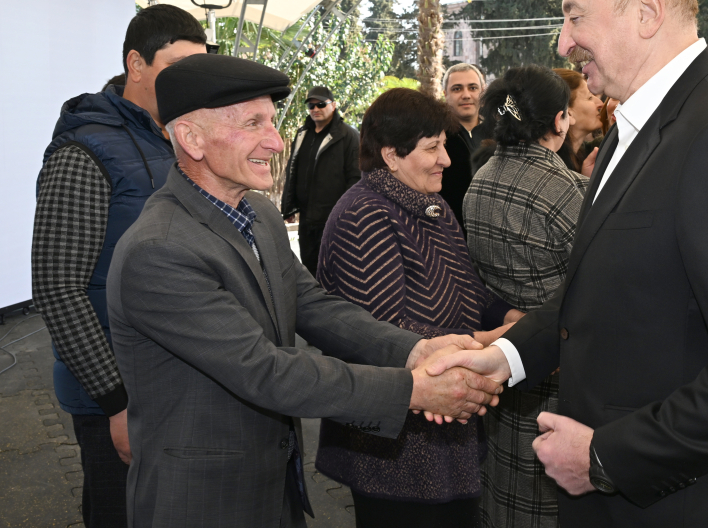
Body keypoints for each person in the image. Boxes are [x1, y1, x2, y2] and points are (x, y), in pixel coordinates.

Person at [428, 0, 708, 528]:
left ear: (646, 11)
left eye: (575, 17)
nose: (565, 43)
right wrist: (507, 355)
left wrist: (605, 458)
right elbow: (600, 290)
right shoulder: (640, 126)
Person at [107, 55, 504, 528]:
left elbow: (315, 307)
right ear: (191, 138)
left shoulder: (258, 213)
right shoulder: (160, 250)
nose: (275, 142)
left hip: (274, 488)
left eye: (272, 123)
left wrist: (416, 349)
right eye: (253, 124)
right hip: (203, 500)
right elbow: (265, 371)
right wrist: (413, 391)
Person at [31, 3, 207, 528]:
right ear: (136, 64)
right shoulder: (84, 151)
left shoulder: (174, 139)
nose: (188, 83)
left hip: (175, 387)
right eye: (177, 66)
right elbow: (58, 287)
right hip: (117, 400)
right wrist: (116, 402)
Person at [314, 87, 522, 528]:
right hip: (396, 447)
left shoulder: (430, 205)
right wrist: (484, 342)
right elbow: (383, 332)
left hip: (441, 429)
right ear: (391, 156)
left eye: (444, 144)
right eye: (433, 148)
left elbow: (469, 291)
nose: (446, 158)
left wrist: (506, 317)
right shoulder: (363, 215)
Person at [463, 65, 589, 528]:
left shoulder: (478, 183)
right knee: (551, 501)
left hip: (502, 372)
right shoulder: (572, 194)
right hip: (560, 378)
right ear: (559, 121)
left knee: (505, 497)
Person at [280, 85, 360, 273]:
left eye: (321, 104)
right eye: (311, 106)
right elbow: (292, 170)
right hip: (307, 218)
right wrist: (288, 206)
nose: (315, 109)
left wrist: (347, 214)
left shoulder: (348, 136)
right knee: (309, 266)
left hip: (335, 219)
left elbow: (355, 178)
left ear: (333, 105)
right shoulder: (302, 134)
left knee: (335, 268)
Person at [440, 63, 486, 229]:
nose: (466, 95)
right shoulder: (433, 140)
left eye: (473, 88)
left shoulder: (501, 137)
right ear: (445, 94)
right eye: (457, 89)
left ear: (483, 91)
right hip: (450, 234)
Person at [554, 68, 604, 173]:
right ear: (568, 113)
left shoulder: (587, 152)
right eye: (590, 98)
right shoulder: (555, 168)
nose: (600, 104)